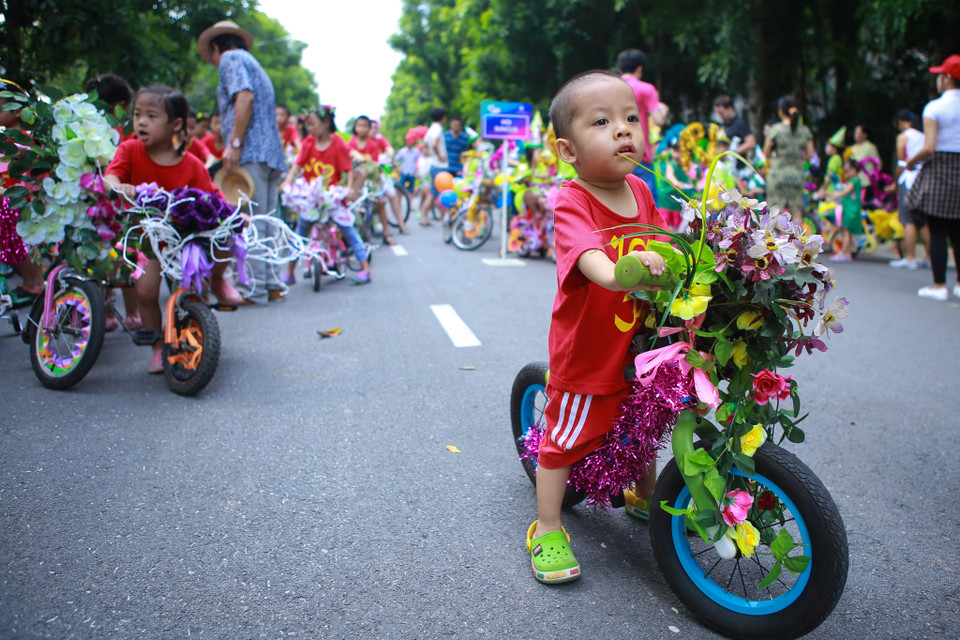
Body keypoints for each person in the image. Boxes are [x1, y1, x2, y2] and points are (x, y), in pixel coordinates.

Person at [527, 70, 667, 584]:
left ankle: (646, 495)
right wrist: (616, 272)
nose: (623, 129)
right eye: (602, 122)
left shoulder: (640, 189)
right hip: (588, 352)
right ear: (568, 150)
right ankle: (547, 526)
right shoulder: (574, 199)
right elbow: (588, 256)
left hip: (638, 344)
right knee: (563, 440)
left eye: (631, 118)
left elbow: (663, 240)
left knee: (641, 422)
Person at [103, 86, 242, 373]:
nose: (141, 122)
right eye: (137, 114)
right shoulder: (130, 150)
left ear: (176, 124)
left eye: (151, 116)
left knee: (222, 243)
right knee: (145, 291)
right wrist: (118, 186)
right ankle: (157, 346)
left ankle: (216, 284)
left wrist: (236, 213)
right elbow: (110, 177)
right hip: (147, 238)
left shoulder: (192, 164)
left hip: (183, 239)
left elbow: (214, 198)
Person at [198, 19, 288, 306]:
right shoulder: (252, 62)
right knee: (268, 221)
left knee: (251, 222)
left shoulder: (231, 59)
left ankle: (255, 289)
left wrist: (234, 143)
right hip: (269, 154)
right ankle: (272, 285)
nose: (213, 62)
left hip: (250, 152)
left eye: (210, 56)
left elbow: (244, 97)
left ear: (216, 46)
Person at [280, 105, 372, 284]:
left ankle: (366, 269)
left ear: (326, 123)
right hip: (311, 197)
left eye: (313, 124)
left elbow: (348, 169)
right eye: (308, 125)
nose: (310, 128)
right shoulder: (308, 142)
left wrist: (350, 188)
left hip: (332, 197)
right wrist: (287, 182)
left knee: (348, 230)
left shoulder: (337, 142)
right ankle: (290, 273)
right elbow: (297, 165)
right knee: (300, 233)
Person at [905, 54, 960, 301]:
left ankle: (939, 286)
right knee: (958, 231)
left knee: (938, 230)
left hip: (940, 168)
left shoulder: (935, 107)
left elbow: (929, 148)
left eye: (940, 75)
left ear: (947, 78)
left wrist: (911, 162)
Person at [0, 78, 44, 306]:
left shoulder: (24, 142)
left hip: (18, 204)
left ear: (17, 111)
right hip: (11, 204)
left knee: (23, 243)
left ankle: (35, 284)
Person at [616, 49, 668, 206]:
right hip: (639, 155)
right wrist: (663, 109)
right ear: (639, 68)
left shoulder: (609, 88)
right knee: (648, 205)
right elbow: (658, 120)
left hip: (613, 154)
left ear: (620, 69)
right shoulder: (646, 89)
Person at [347, 114, 409, 241]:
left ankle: (387, 233)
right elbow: (349, 155)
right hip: (355, 180)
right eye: (359, 125)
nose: (362, 128)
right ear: (355, 127)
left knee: (381, 202)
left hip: (371, 179)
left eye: (365, 126)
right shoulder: (351, 142)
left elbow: (375, 163)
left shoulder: (373, 144)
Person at [762, 95, 815, 222]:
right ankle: (797, 235)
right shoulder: (804, 131)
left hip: (777, 175)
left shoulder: (776, 130)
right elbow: (810, 153)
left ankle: (776, 235)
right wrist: (798, 157)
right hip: (796, 175)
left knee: (776, 212)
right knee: (796, 212)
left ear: (781, 111)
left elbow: (766, 152)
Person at [889, 109, 930, 269]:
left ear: (900, 122)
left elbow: (902, 162)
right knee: (922, 221)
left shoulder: (903, 136)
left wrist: (895, 183)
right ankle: (929, 257)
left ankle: (910, 257)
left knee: (908, 220)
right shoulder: (923, 136)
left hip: (908, 179)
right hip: (923, 180)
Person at [818, 158, 863, 262]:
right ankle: (847, 253)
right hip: (850, 208)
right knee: (848, 232)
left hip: (850, 209)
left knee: (846, 231)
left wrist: (831, 197)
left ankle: (844, 253)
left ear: (854, 170)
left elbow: (845, 192)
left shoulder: (854, 182)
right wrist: (830, 194)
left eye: (847, 171)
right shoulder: (855, 181)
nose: (846, 174)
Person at [420, 107, 448, 225]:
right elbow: (434, 143)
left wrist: (430, 154)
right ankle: (425, 218)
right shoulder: (438, 128)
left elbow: (424, 145)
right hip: (439, 165)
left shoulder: (431, 129)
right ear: (443, 117)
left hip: (433, 164)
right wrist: (439, 156)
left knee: (435, 193)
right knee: (435, 193)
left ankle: (440, 218)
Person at [713, 95, 756, 161]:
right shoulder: (723, 125)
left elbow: (751, 143)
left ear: (730, 108)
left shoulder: (739, 123)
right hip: (725, 164)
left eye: (721, 113)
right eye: (718, 113)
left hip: (739, 165)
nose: (720, 116)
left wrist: (732, 153)